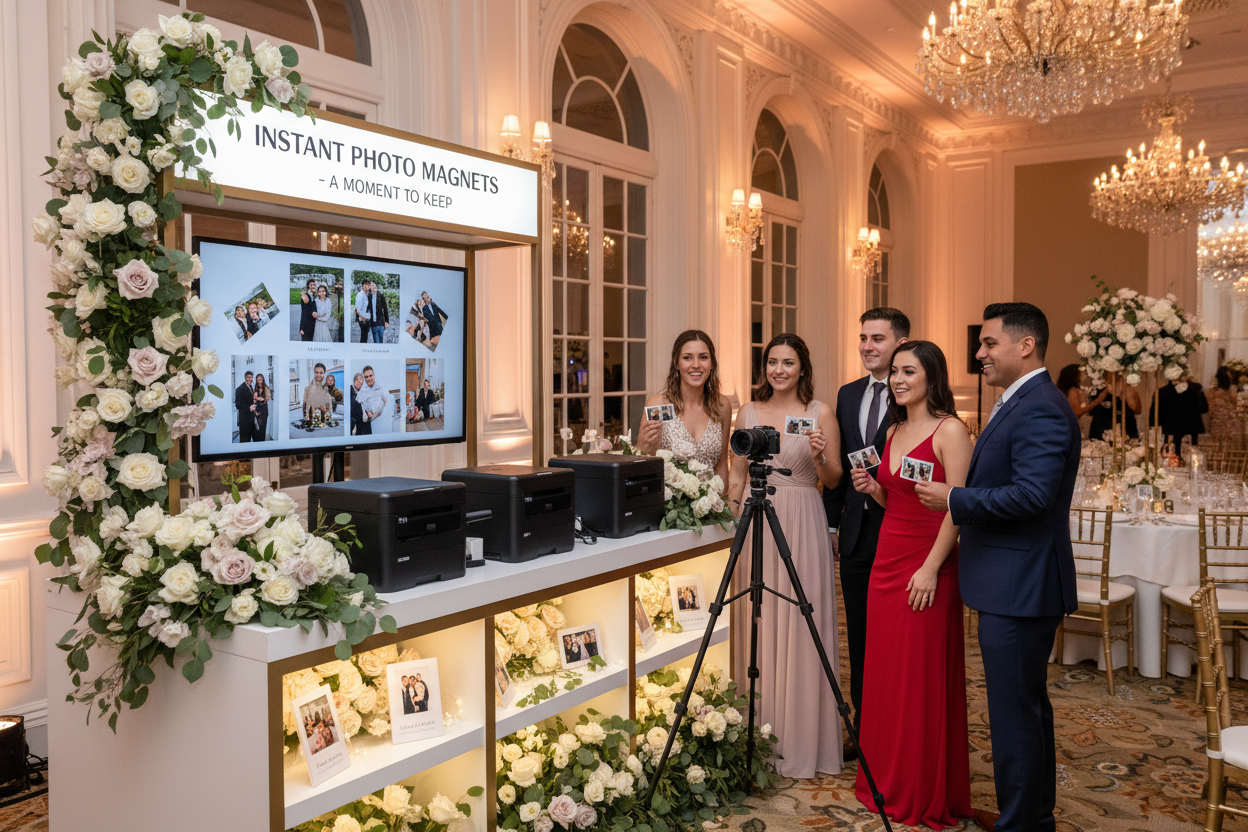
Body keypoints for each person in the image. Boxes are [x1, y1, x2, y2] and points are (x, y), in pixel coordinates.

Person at [915, 303, 1080, 832]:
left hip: (1021, 584)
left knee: (1014, 715)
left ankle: (1021, 825)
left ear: (1025, 345)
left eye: (989, 343)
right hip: (1013, 582)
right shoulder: (1022, 401)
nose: (979, 353)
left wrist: (955, 498)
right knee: (1024, 709)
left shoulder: (1040, 407)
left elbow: (1032, 495)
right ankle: (1032, 817)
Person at [850, 341, 973, 829]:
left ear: (931, 377)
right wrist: (875, 489)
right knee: (886, 673)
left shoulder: (951, 431)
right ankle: (885, 777)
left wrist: (931, 567)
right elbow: (900, 499)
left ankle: (920, 785)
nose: (898, 380)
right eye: (895, 372)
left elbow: (958, 508)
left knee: (919, 676)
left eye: (909, 372)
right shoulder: (894, 429)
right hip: (886, 561)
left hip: (929, 564)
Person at [725, 333, 843, 779]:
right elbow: (737, 475)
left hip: (802, 519)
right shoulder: (748, 412)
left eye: (788, 362)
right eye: (772, 362)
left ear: (802, 368)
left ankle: (798, 739)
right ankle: (752, 733)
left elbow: (834, 479)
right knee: (758, 617)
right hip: (755, 519)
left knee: (799, 617)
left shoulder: (820, 412)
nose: (779, 370)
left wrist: (821, 454)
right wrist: (730, 520)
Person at [822, 306, 909, 752]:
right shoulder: (848, 394)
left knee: (897, 638)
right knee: (858, 634)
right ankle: (863, 726)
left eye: (877, 338)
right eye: (863, 338)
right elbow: (838, 468)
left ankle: (897, 728)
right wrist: (832, 525)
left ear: (900, 343)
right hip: (855, 533)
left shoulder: (913, 392)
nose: (867, 346)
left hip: (901, 531)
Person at [637, 330, 731, 483]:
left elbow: (722, 465)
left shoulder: (721, 406)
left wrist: (724, 498)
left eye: (703, 357)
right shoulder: (660, 405)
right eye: (687, 358)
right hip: (669, 496)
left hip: (711, 497)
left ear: (712, 363)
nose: (696, 365)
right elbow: (643, 457)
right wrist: (643, 444)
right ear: (676, 363)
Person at [1151, 376, 1208, 448]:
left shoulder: (1161, 392)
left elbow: (1154, 419)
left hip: (1171, 432)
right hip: (1191, 432)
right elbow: (1204, 408)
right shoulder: (1196, 388)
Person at [1086, 371, 1141, 441]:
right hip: (1101, 430)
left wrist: (1125, 391)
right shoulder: (1097, 387)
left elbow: (1137, 410)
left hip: (1125, 429)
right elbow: (1090, 409)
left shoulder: (1128, 388)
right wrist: (1107, 390)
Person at [1206, 366, 1239, 444]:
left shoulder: (1211, 392)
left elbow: (1210, 407)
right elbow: (1235, 404)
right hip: (1228, 419)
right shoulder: (1232, 391)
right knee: (1227, 441)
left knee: (1216, 441)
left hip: (1217, 419)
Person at [234, 370, 256, 442]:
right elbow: (238, 404)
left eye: (251, 377)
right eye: (248, 377)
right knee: (245, 439)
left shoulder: (251, 387)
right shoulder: (239, 389)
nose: (249, 379)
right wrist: (249, 408)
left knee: (251, 438)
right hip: (244, 420)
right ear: (245, 378)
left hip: (252, 418)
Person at [253, 373, 272, 442]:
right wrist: (255, 411)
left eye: (260, 379)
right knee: (256, 428)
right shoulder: (255, 389)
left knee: (262, 428)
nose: (259, 381)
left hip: (263, 410)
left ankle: (261, 442)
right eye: (257, 380)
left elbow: (269, 398)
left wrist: (261, 398)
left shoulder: (266, 388)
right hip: (257, 409)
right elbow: (254, 400)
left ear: (263, 380)